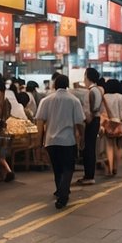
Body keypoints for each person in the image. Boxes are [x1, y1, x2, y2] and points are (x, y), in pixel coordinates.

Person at [34, 74, 84, 209]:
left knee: (57, 168)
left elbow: (40, 122)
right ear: (67, 85)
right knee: (68, 168)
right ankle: (63, 195)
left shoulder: (46, 100)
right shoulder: (74, 100)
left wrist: (39, 143)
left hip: (51, 141)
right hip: (68, 140)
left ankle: (60, 190)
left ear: (54, 85)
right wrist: (82, 138)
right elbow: (80, 123)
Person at [76, 68, 104, 186]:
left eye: (84, 75)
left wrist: (87, 120)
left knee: (88, 149)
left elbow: (91, 109)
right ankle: (89, 175)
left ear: (88, 77)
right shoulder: (97, 90)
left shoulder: (91, 91)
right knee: (90, 148)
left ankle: (89, 176)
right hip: (96, 120)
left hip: (92, 121)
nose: (84, 78)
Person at [101, 79, 122, 177]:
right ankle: (115, 168)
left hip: (108, 123)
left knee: (109, 145)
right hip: (119, 123)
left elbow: (101, 112)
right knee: (117, 146)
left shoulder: (104, 97)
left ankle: (110, 168)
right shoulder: (121, 97)